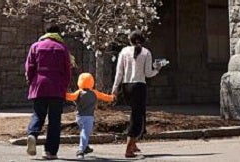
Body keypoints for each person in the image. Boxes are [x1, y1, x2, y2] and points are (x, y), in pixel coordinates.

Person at [111, 30, 166, 158]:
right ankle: (128, 149)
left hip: (126, 87)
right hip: (139, 87)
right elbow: (148, 74)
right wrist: (157, 69)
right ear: (142, 40)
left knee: (136, 114)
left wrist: (115, 88)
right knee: (137, 118)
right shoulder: (146, 52)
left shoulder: (124, 51)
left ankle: (133, 144)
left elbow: (119, 72)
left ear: (130, 40)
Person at [25, 23, 73, 160]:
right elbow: (67, 70)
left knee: (38, 114)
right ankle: (50, 151)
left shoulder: (35, 46)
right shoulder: (62, 48)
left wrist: (31, 81)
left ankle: (32, 134)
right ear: (58, 33)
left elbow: (29, 67)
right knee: (54, 120)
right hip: (56, 87)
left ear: (45, 32)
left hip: (39, 85)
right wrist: (65, 85)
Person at [65, 72, 114, 158]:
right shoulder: (94, 92)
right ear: (91, 81)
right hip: (89, 117)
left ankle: (86, 147)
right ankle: (80, 150)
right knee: (85, 133)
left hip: (79, 117)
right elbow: (104, 96)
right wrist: (112, 97)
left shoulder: (78, 92)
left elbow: (70, 96)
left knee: (83, 132)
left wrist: (63, 93)